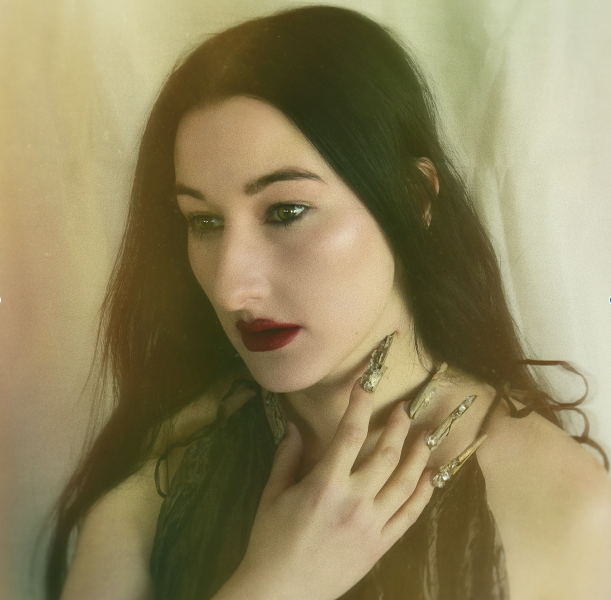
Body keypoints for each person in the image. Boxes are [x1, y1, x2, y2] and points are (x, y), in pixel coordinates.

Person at [45, 5, 611, 600]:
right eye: (204, 221)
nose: (231, 289)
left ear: (414, 196)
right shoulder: (156, 488)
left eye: (285, 211)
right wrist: (277, 583)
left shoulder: (563, 510)